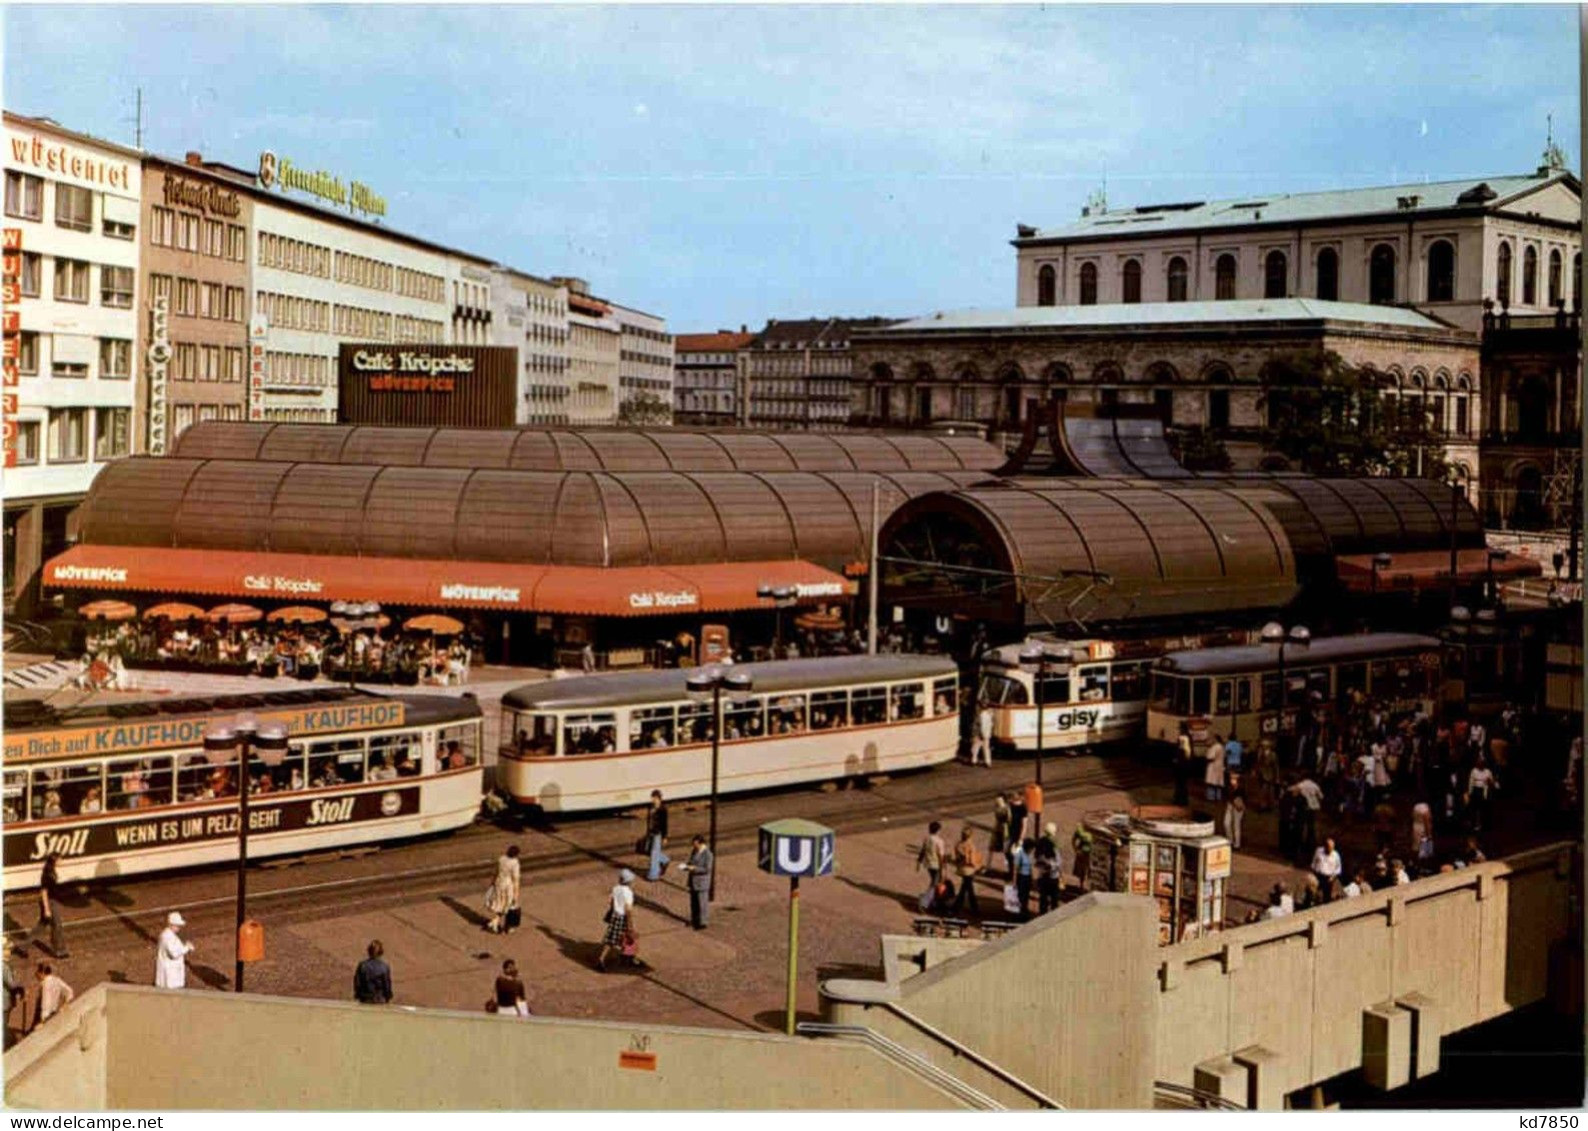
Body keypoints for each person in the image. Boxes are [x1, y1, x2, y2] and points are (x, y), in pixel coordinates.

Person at [597, 869, 637, 972]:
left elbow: (612, 902)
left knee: (611, 939)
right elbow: (628, 910)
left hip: (615, 915)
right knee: (629, 938)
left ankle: (603, 958)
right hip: (622, 917)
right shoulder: (628, 893)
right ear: (629, 881)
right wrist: (630, 926)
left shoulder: (616, 888)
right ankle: (628, 957)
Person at [31, 853, 68, 959]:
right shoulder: (47, 874)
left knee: (41, 926)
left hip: (52, 901)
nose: (62, 861)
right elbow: (44, 892)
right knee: (57, 925)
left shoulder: (51, 871)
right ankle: (59, 950)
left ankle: (22, 946)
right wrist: (47, 909)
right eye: (60, 859)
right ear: (55, 860)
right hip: (50, 902)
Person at [484, 845, 522, 934]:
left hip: (498, 883)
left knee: (500, 905)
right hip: (507, 886)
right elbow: (516, 880)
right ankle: (496, 923)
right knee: (507, 906)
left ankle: (495, 923)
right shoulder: (514, 863)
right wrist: (516, 896)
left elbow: (496, 872)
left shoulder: (501, 859)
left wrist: (492, 882)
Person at [154, 912, 194, 988]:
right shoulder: (167, 937)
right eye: (177, 926)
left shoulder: (169, 935)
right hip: (170, 975)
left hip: (171, 974)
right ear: (171, 925)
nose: (179, 928)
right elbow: (174, 954)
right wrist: (186, 948)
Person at [915, 821, 948, 913]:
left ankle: (933, 902)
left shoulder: (927, 839)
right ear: (938, 830)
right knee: (934, 884)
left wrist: (918, 862)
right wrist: (943, 868)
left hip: (928, 864)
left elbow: (923, 851)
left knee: (934, 882)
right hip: (936, 865)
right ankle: (924, 902)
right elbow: (941, 856)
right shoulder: (939, 841)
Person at [682, 835, 714, 930]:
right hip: (693, 881)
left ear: (700, 843)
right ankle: (694, 920)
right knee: (694, 903)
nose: (694, 846)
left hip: (702, 882)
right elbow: (691, 861)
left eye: (695, 844)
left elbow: (707, 869)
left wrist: (694, 869)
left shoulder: (708, 854)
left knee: (702, 903)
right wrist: (687, 866)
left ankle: (703, 922)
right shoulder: (694, 851)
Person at [950, 826, 982, 918]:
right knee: (968, 889)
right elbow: (971, 861)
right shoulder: (971, 846)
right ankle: (972, 908)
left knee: (965, 888)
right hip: (969, 870)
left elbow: (956, 858)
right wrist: (978, 867)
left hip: (961, 868)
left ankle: (958, 906)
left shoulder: (958, 845)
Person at [30, 962, 72, 1031]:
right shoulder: (57, 980)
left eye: (38, 971)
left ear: (42, 973)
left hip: (44, 1017)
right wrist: (65, 1004)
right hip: (54, 1012)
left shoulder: (45, 984)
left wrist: (42, 1021)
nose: (36, 974)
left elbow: (46, 1003)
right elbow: (69, 991)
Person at [1034, 823, 1062, 915]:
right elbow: (1058, 862)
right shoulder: (1054, 845)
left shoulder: (1040, 842)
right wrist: (1051, 865)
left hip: (1042, 875)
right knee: (1054, 900)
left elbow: (1036, 859)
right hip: (1053, 876)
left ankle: (1043, 917)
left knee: (1043, 900)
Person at [353, 940, 392, 1004]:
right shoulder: (384, 967)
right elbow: (386, 984)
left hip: (365, 999)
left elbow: (357, 983)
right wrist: (387, 997)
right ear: (381, 952)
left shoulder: (362, 965)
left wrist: (358, 995)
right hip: (380, 999)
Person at [645, 790, 671, 881]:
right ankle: (665, 860)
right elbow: (649, 822)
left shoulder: (663, 810)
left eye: (655, 798)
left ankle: (653, 875)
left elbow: (665, 824)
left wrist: (665, 837)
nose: (653, 800)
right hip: (651, 833)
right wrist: (647, 833)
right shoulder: (651, 808)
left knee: (654, 853)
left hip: (658, 833)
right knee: (650, 852)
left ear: (659, 799)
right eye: (652, 798)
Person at [1223, 771, 1246, 850]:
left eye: (1234, 778)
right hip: (1230, 805)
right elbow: (1227, 796)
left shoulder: (1241, 788)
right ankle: (1230, 840)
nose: (1232, 780)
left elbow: (1244, 799)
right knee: (1226, 823)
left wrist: (1240, 805)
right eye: (1231, 778)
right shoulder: (1228, 787)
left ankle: (1237, 844)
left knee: (1236, 825)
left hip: (1238, 807)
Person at [990, 794, 1012, 878]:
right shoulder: (997, 808)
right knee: (1003, 850)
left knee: (1007, 851)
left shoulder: (1007, 809)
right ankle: (1009, 869)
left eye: (999, 800)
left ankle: (1011, 870)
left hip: (1005, 831)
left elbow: (1009, 820)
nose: (997, 802)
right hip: (999, 829)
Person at [1070, 821, 1093, 893]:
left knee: (1091, 869)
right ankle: (1081, 885)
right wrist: (1076, 850)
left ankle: (1090, 886)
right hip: (1082, 852)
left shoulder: (1094, 830)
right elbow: (1073, 840)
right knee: (1082, 870)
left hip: (1091, 853)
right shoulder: (1080, 830)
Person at [1204, 733, 1227, 803]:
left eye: (1212, 739)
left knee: (1212, 783)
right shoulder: (1222, 747)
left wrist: (1206, 758)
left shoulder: (1215, 747)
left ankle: (1211, 797)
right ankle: (1218, 797)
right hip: (1220, 766)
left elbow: (1211, 757)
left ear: (1215, 739)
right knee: (1218, 783)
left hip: (1213, 767)